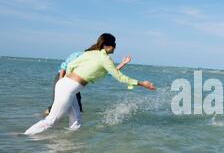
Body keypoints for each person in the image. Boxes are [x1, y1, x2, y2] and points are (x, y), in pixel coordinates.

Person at [25, 33, 155, 135]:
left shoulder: (91, 53)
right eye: (114, 44)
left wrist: (68, 81)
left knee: (76, 121)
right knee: (51, 121)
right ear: (107, 46)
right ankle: (25, 136)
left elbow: (71, 65)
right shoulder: (104, 58)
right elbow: (119, 77)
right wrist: (142, 83)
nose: (115, 47)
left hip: (66, 86)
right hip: (68, 89)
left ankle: (67, 146)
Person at [44, 52, 133, 115]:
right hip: (62, 78)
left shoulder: (97, 61)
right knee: (57, 104)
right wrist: (61, 81)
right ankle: (47, 118)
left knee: (78, 107)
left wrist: (123, 63)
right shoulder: (78, 55)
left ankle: (75, 129)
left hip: (74, 83)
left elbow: (110, 72)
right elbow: (64, 66)